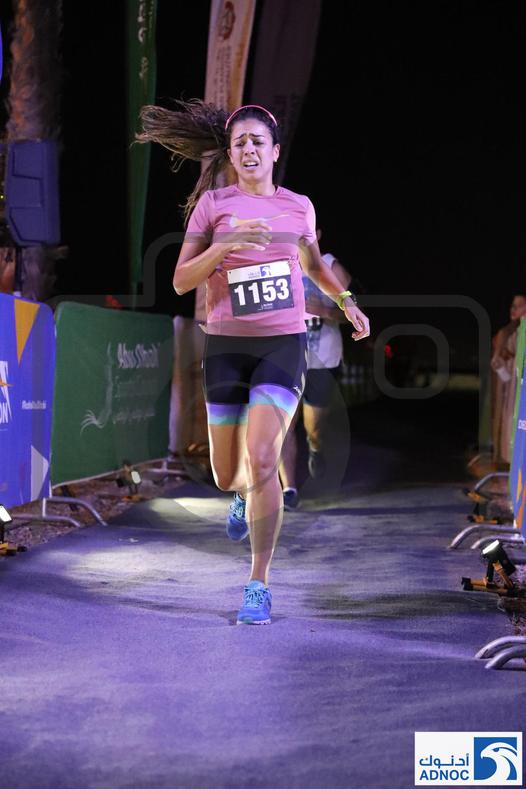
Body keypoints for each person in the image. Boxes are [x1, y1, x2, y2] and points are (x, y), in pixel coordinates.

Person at [138, 101, 370, 625]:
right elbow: (181, 281)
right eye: (239, 142)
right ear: (229, 153)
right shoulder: (213, 206)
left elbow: (313, 263)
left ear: (274, 152)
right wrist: (226, 245)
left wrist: (345, 301)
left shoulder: (298, 207)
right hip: (226, 347)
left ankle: (258, 584)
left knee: (264, 456)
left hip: (282, 344)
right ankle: (242, 492)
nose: (248, 149)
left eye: (257, 141)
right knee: (227, 475)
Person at [279, 229, 352, 509]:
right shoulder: (277, 264)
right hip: (286, 358)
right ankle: (289, 489)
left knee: (315, 428)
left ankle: (316, 447)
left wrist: (325, 310)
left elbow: (351, 311)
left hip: (323, 359)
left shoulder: (331, 266)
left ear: (317, 234)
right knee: (284, 425)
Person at [491, 294, 526, 467]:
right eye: (512, 306)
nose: (513, 310)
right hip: (512, 392)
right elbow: (505, 374)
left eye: (518, 306)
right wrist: (500, 363)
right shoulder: (508, 334)